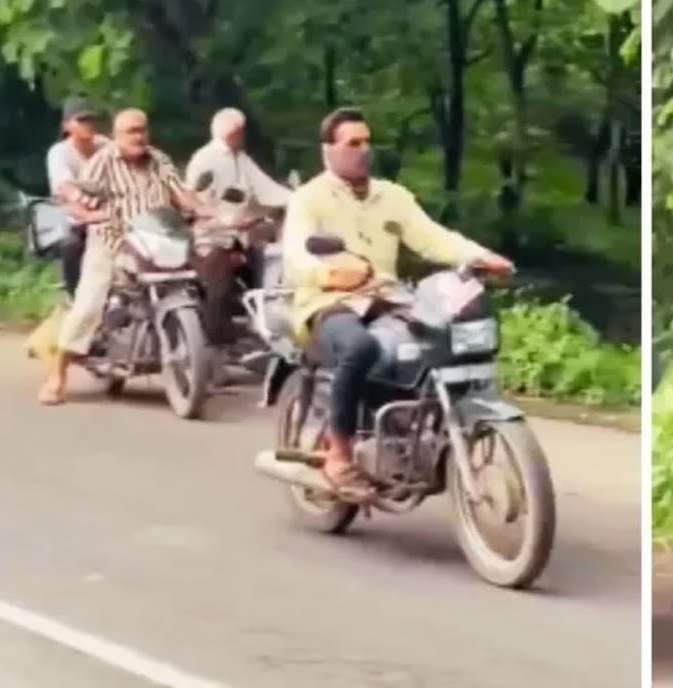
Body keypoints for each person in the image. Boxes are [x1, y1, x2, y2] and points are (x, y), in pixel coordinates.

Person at [281, 107, 514, 500]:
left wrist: (479, 256)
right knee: (360, 348)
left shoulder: (392, 196)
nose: (364, 150)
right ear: (328, 151)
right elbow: (296, 255)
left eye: (367, 142)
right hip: (328, 304)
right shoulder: (309, 198)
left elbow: (432, 237)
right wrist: (329, 274)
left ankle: (408, 430)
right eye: (353, 143)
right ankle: (339, 454)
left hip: (386, 299)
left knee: (435, 340)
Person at [37, 108, 210, 406]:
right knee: (89, 303)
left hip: (160, 240)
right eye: (131, 131)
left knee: (205, 281)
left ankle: (204, 361)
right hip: (114, 241)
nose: (139, 136)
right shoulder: (102, 162)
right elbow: (76, 197)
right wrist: (89, 214)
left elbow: (180, 192)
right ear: (116, 136)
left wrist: (205, 211)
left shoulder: (159, 159)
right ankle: (58, 377)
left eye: (142, 129)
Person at [185, 107, 293, 350]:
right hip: (210, 236)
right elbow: (192, 197)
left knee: (266, 269)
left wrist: (295, 198)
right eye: (239, 132)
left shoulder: (241, 159)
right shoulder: (205, 159)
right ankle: (216, 340)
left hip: (239, 235)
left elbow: (264, 187)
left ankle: (264, 328)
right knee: (219, 284)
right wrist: (221, 217)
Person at [45, 96, 110, 296]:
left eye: (91, 119)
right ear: (66, 126)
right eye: (81, 120)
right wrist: (90, 214)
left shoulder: (106, 146)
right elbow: (66, 190)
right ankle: (74, 293)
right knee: (72, 243)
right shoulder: (59, 152)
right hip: (74, 214)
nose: (88, 124)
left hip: (110, 209)